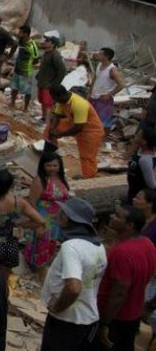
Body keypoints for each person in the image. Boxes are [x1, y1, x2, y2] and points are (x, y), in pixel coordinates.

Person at [40, 198, 108, 351]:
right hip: (87, 319)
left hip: (67, 320)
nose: (57, 215)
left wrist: (57, 307)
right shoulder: (98, 246)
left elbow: (73, 288)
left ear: (67, 218)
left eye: (61, 212)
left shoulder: (71, 247)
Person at [95, 205, 156, 351]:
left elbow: (119, 292)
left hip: (116, 317)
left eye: (118, 216)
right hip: (134, 313)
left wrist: (105, 323)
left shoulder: (122, 252)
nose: (112, 217)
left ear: (130, 225)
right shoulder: (147, 244)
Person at [24, 151, 71, 271]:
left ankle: (46, 265)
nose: (52, 168)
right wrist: (38, 224)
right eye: (48, 165)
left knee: (51, 243)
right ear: (43, 165)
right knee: (40, 243)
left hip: (57, 219)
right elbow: (32, 203)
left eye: (55, 165)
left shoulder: (60, 178)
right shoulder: (39, 180)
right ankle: (37, 268)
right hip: (43, 218)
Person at [48, 85, 106, 179]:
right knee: (50, 128)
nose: (54, 101)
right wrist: (51, 129)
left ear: (60, 95)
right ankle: (52, 154)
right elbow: (56, 115)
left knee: (87, 157)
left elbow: (78, 128)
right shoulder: (61, 100)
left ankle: (89, 178)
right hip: (76, 124)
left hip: (91, 131)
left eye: (54, 98)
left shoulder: (79, 104)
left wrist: (60, 134)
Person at [90, 48, 126, 130]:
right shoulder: (99, 65)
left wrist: (109, 94)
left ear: (106, 57)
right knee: (94, 120)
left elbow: (122, 85)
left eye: (100, 54)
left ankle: (103, 137)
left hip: (104, 100)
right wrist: (90, 92)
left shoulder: (112, 70)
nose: (97, 54)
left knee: (104, 123)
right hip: (95, 97)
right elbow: (95, 78)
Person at [8, 25, 40, 111]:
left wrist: (29, 64)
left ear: (26, 34)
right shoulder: (20, 41)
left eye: (20, 32)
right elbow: (14, 46)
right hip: (17, 68)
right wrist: (9, 56)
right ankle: (12, 103)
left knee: (27, 90)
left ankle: (25, 107)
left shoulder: (31, 45)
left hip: (26, 71)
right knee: (14, 86)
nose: (18, 34)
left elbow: (36, 58)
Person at [37, 36, 66, 128]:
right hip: (42, 82)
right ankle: (43, 118)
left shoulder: (55, 55)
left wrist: (55, 83)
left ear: (53, 44)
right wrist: (38, 75)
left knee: (48, 103)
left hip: (49, 84)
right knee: (42, 101)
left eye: (47, 41)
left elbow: (62, 70)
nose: (45, 42)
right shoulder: (46, 53)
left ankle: (47, 122)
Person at [128, 128, 156, 202]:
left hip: (141, 197)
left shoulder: (145, 160)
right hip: (133, 192)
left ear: (144, 141)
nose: (135, 136)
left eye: (138, 135)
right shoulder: (140, 151)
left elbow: (152, 185)